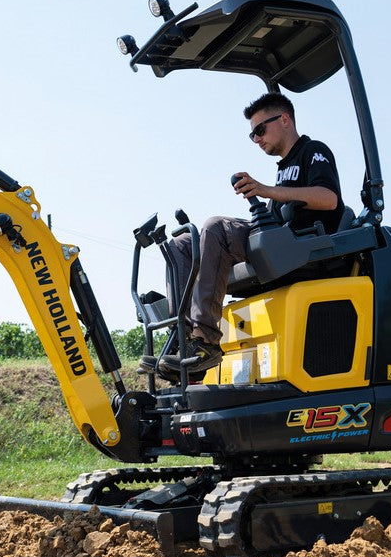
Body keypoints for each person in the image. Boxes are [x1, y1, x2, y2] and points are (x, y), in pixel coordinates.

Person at [147, 91, 344, 378]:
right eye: (252, 135)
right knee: (182, 244)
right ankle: (183, 338)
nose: (257, 139)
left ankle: (205, 340)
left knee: (215, 226)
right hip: (273, 239)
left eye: (260, 130)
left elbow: (329, 199)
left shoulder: (314, 151)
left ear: (285, 119)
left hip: (300, 245)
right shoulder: (283, 168)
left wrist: (265, 190)